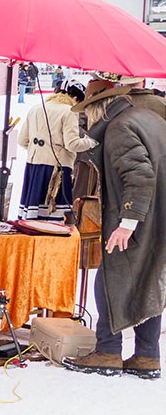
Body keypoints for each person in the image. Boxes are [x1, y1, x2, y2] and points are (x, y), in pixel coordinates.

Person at [62, 81, 166, 380]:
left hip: (139, 216)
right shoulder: (148, 118)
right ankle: (147, 356)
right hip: (157, 213)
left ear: (97, 107)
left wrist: (128, 222)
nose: (86, 122)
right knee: (148, 280)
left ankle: (107, 351)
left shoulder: (120, 126)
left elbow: (140, 176)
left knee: (110, 279)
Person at [16, 81, 94, 221]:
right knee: (53, 218)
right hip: (56, 170)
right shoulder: (69, 111)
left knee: (33, 218)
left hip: (33, 168)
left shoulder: (36, 108)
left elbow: (22, 140)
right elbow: (72, 144)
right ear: (76, 98)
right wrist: (91, 142)